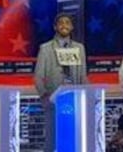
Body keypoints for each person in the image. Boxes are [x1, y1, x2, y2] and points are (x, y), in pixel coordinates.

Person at [34, 13, 88, 152]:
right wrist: (45, 97)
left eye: (67, 22)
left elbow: (83, 75)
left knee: (74, 140)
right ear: (55, 27)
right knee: (53, 141)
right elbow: (38, 76)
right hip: (53, 102)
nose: (64, 25)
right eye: (61, 23)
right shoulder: (46, 48)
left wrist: (86, 97)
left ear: (72, 27)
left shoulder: (79, 48)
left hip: (75, 102)